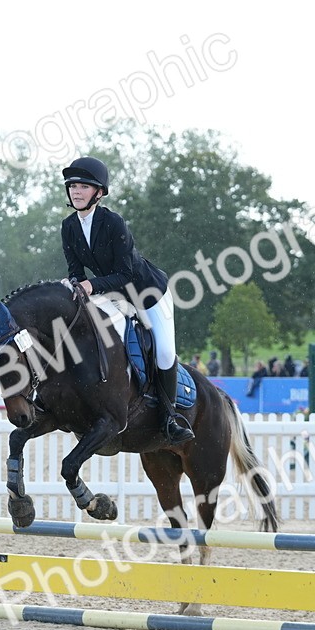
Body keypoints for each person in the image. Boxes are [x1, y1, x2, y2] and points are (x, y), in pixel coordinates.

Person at [60, 156, 193, 443]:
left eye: (83, 186)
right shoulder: (69, 227)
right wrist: (72, 286)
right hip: (113, 295)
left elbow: (125, 272)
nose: (76, 191)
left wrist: (89, 286)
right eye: (72, 186)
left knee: (165, 353)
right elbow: (75, 271)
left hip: (147, 293)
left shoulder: (113, 223)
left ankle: (169, 419)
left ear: (99, 192)